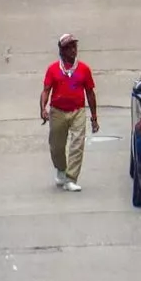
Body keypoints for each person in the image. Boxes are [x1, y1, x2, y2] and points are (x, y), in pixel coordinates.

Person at [40, 33, 99, 192]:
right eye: (68, 48)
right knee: (56, 146)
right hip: (57, 111)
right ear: (61, 51)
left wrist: (94, 117)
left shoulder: (84, 69)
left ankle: (71, 178)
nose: (73, 50)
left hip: (78, 111)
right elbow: (46, 90)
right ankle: (61, 169)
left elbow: (90, 93)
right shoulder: (53, 69)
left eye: (74, 46)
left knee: (77, 144)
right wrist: (43, 108)